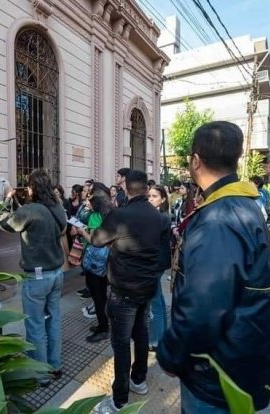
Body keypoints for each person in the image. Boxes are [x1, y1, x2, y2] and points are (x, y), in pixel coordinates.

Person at [157, 121, 270, 413]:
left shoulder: (218, 218)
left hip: (216, 372)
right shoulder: (241, 204)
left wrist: (171, 354)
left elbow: (204, 307)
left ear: (195, 161)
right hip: (236, 359)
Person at [88, 170, 162, 413]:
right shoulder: (159, 216)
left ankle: (119, 400)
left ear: (127, 189)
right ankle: (138, 379)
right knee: (140, 334)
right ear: (144, 189)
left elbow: (97, 239)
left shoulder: (121, 214)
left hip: (124, 289)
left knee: (120, 344)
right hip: (147, 286)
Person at [0, 169, 67, 386]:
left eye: (28, 185)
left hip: (37, 277)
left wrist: (7, 201)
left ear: (32, 188)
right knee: (53, 320)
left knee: (35, 325)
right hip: (56, 274)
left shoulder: (31, 210)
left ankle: (40, 374)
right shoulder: (57, 208)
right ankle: (55, 366)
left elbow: (3, 222)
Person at [73, 183, 114, 342]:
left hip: (95, 261)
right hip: (105, 262)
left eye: (89, 198)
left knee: (98, 297)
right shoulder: (110, 213)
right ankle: (102, 325)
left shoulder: (95, 216)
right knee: (101, 295)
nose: (86, 201)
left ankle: (103, 328)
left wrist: (83, 231)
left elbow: (95, 239)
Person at [146, 185, 172, 352]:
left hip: (155, 264)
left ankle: (155, 340)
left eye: (154, 196)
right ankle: (161, 333)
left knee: (154, 302)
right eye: (149, 196)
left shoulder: (161, 217)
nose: (150, 199)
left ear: (163, 199)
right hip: (158, 263)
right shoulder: (158, 216)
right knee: (158, 299)